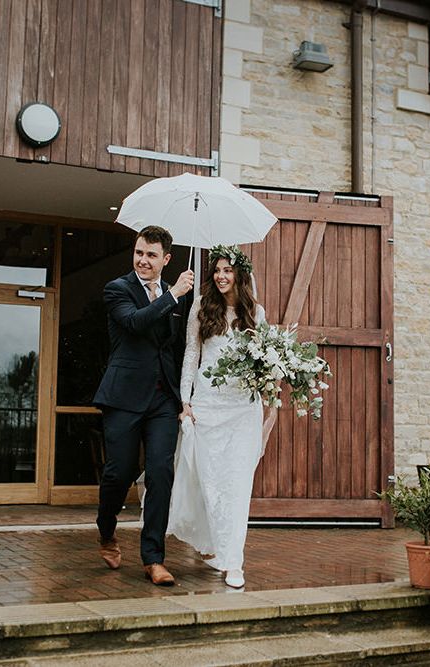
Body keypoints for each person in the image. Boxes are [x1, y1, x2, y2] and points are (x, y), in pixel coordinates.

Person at [93, 225, 194, 586]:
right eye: (139, 252)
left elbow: (179, 348)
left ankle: (154, 558)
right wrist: (173, 295)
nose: (143, 260)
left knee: (160, 473)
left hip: (163, 400)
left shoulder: (178, 295)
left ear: (166, 259)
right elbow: (135, 323)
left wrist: (186, 396)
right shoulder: (118, 289)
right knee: (118, 474)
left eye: (151, 255)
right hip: (123, 397)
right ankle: (106, 529)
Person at [167, 244, 267, 589]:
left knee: (238, 485)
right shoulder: (200, 307)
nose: (221, 276)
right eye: (217, 270)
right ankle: (216, 548)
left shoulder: (257, 313)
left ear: (240, 275)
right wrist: (185, 400)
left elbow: (262, 363)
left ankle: (233, 561)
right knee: (211, 484)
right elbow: (191, 356)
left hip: (242, 410)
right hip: (208, 405)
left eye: (228, 270)